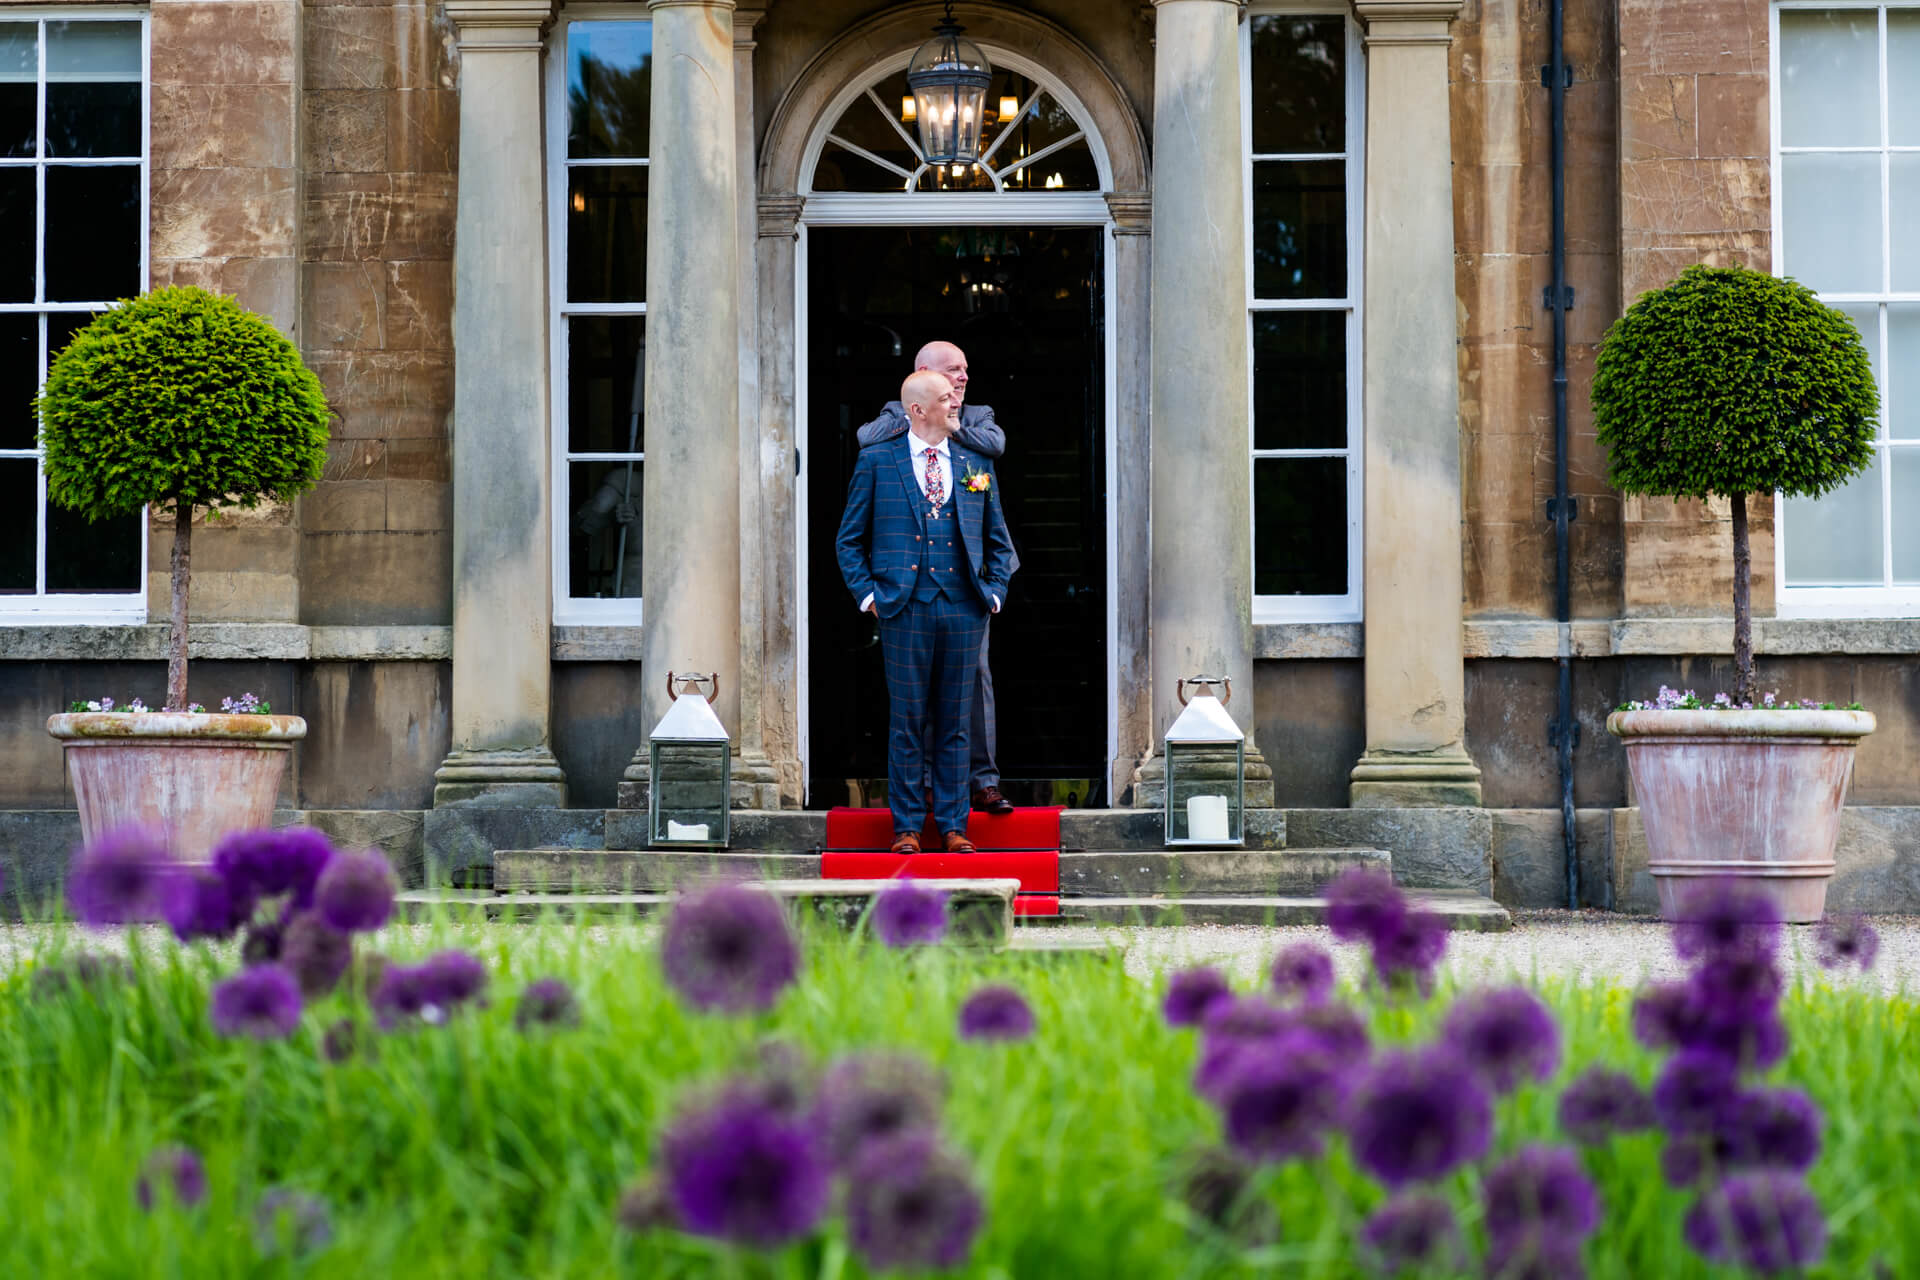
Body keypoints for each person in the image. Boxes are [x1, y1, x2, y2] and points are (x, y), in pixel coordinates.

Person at [837, 370, 1016, 855]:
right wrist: (869, 596)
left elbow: (1000, 541)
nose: (956, 403)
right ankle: (908, 828)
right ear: (917, 409)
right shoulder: (877, 460)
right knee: (908, 721)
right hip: (903, 608)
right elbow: (848, 540)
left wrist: (994, 591)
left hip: (964, 608)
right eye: (945, 398)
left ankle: (955, 825)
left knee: (957, 721)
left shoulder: (975, 459)